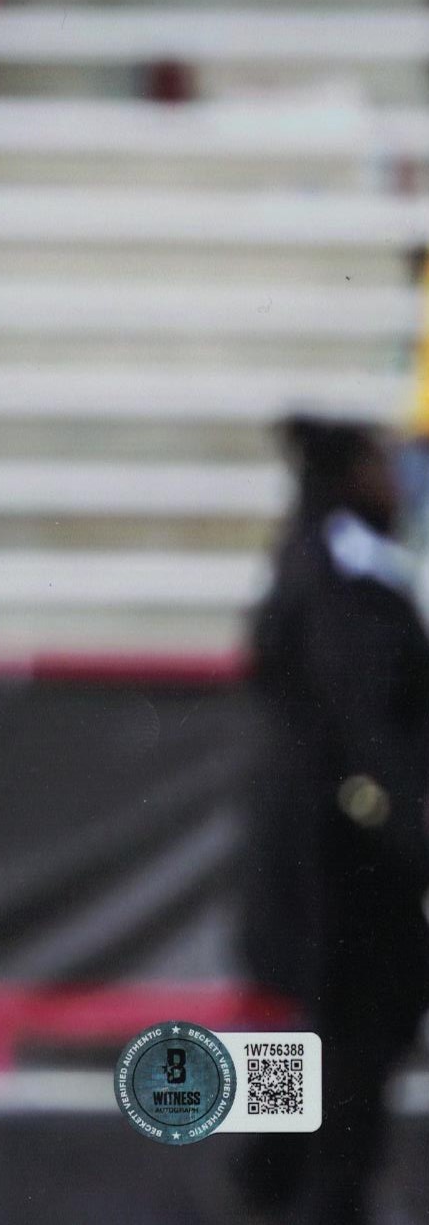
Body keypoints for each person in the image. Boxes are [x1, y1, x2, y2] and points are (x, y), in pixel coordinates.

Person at [229, 418, 429, 1225]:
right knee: (338, 1050)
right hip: (344, 865)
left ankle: (267, 1186)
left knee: (297, 1032)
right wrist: (410, 828)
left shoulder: (303, 560)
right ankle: (298, 1195)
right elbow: (368, 729)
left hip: (301, 859)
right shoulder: (348, 577)